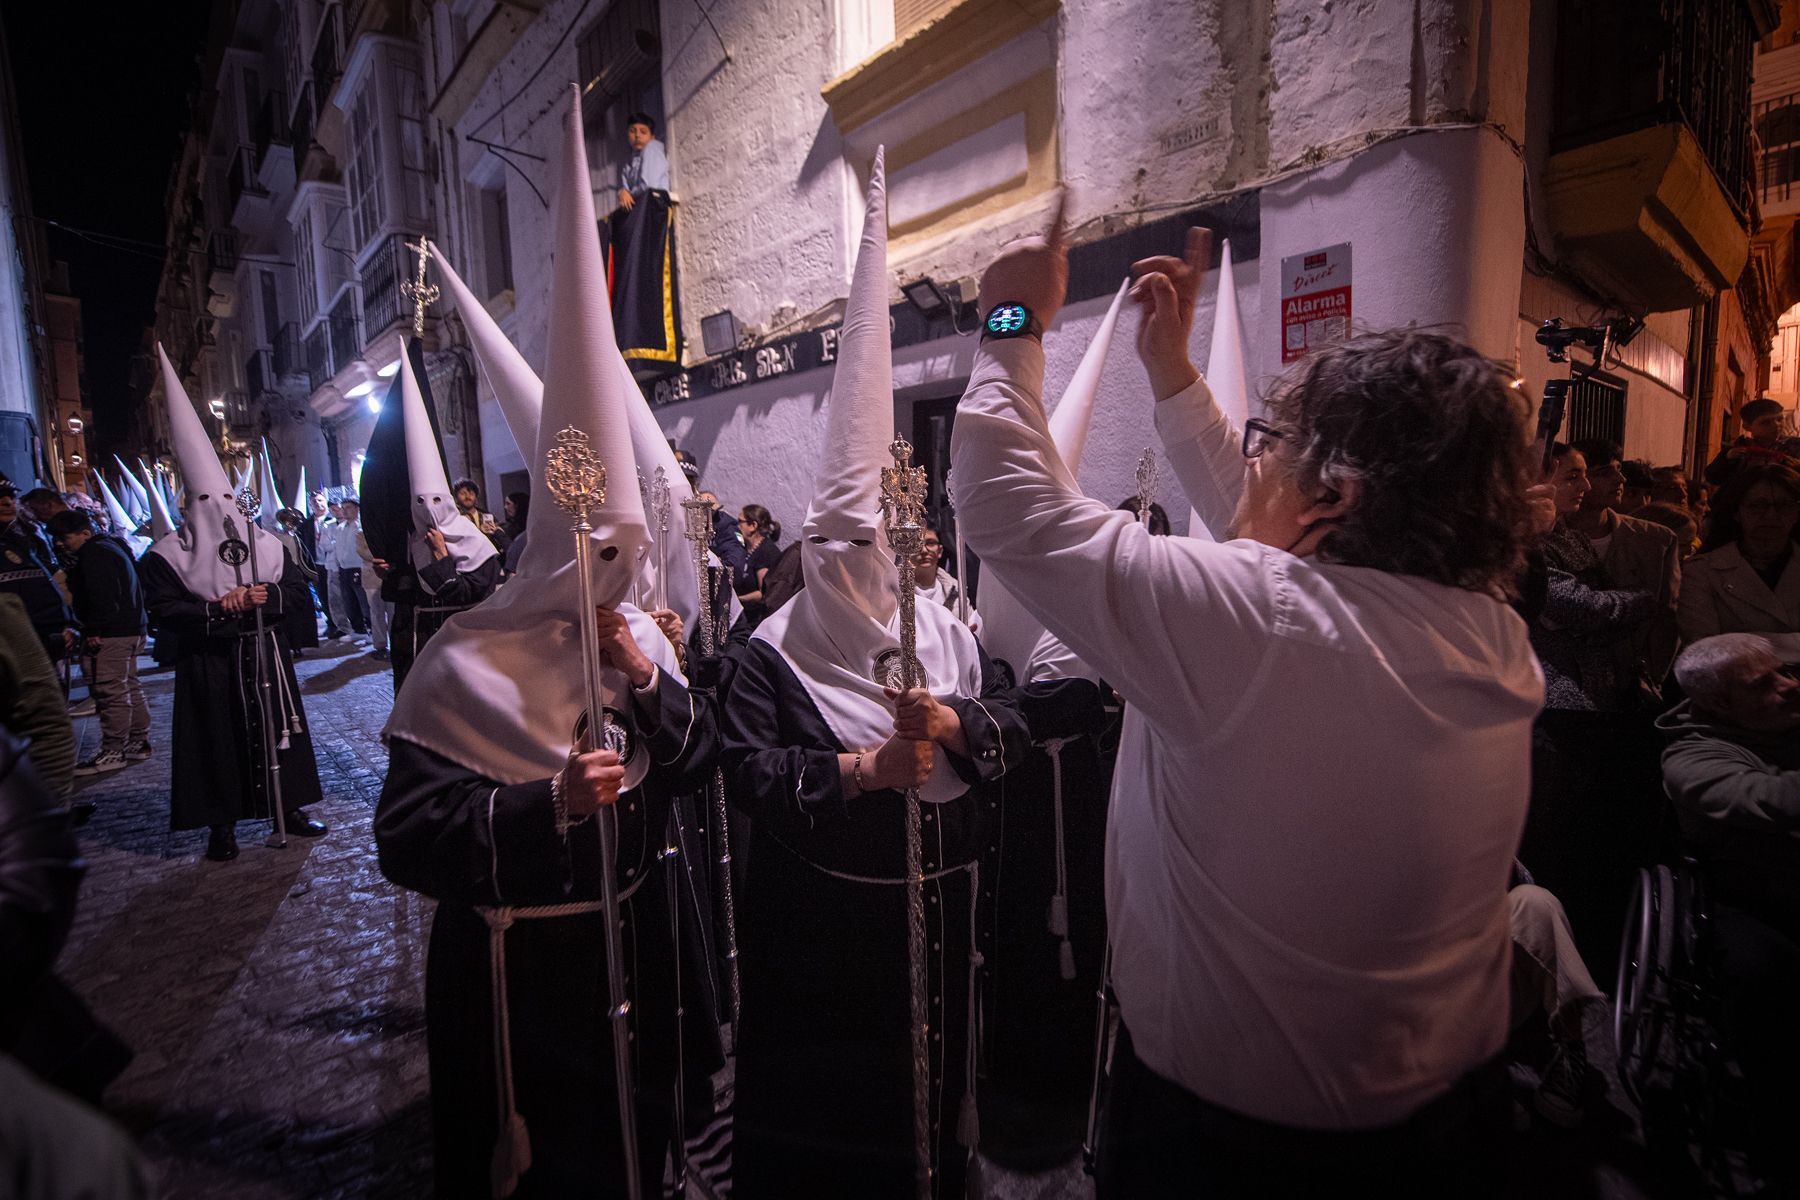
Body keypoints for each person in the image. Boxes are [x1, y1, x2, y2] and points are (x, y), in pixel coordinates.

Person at [950, 215, 1540, 1195]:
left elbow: (1006, 502)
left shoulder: (1257, 631)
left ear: (1334, 495)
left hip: (1233, 1152)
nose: (1257, 463)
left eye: (1277, 446)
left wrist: (1012, 317)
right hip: (1443, 1129)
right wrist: (1173, 373)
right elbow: (1261, 533)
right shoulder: (1487, 631)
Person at [378, 92, 724, 1199]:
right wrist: (549, 806)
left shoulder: (633, 639)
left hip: (634, 955)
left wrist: (651, 688)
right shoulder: (463, 666)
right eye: (598, 553)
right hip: (518, 980)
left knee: (637, 1153)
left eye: (629, 554)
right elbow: (408, 836)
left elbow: (698, 761)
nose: (613, 579)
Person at [720, 151, 1030, 1198]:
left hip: (939, 916)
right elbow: (750, 777)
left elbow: (998, 738)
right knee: (838, 1123)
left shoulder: (940, 634)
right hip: (826, 939)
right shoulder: (771, 657)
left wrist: (948, 728)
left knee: (934, 1108)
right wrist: (859, 772)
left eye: (877, 547)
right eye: (845, 550)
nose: (866, 572)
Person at [138, 346, 326, 862]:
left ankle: (289, 809)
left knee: (279, 732)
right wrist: (219, 606)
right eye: (205, 503)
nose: (216, 512)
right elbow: (165, 610)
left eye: (223, 501)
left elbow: (294, 593)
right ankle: (220, 826)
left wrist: (265, 595)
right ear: (189, 506)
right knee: (214, 742)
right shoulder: (167, 556)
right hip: (211, 662)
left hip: (264, 651)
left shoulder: (266, 544)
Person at [1659, 633, 1800, 1190]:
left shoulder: (1787, 709)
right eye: (1762, 684)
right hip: (1752, 892)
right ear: (1718, 703)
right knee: (1770, 980)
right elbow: (1768, 800)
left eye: (1782, 671)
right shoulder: (1692, 758)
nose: (1787, 686)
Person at [382, 368, 502, 693]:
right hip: (418, 644)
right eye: (420, 502)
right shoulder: (412, 539)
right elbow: (398, 596)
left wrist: (440, 556)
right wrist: (391, 570)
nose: (429, 509)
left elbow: (472, 596)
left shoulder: (476, 544)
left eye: (436, 500)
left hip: (464, 645)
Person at [1564, 437, 1681, 702]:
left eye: (1618, 469)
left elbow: (1667, 617)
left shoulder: (1656, 541)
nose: (1620, 479)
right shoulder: (1547, 537)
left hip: (1628, 683)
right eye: (1604, 472)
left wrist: (1651, 676)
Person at [46, 512, 148, 776]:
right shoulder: (112, 546)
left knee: (110, 691)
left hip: (112, 633)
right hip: (131, 627)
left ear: (84, 533)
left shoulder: (94, 554)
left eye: (64, 537)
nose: (59, 543)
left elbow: (103, 596)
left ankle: (113, 750)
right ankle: (138, 740)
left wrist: (94, 629)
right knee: (130, 686)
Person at [1678, 463, 1800, 659]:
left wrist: (1742, 642)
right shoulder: (1702, 572)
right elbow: (1704, 651)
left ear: (1796, 512)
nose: (1771, 515)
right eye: (1757, 506)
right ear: (1737, 512)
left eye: (1783, 505)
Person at [0, 479, 74, 667]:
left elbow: (48, 584)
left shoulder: (24, 539)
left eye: (11, 496)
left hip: (45, 647)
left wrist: (67, 623)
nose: (8, 502)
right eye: (0, 497)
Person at [1704, 397, 1800, 488]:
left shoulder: (1795, 447)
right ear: (1747, 426)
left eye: (1779, 419)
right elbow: (1713, 478)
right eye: (1766, 423)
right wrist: (1727, 459)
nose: (1776, 425)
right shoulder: (1738, 450)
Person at [732, 504, 781, 625]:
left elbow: (763, 592)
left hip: (755, 620)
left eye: (740, 522)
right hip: (745, 614)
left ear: (753, 526)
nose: (737, 526)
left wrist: (737, 600)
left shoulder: (765, 552)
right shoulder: (745, 548)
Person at [333, 496, 373, 640]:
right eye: (343, 508)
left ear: (357, 508)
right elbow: (338, 547)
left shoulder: (362, 525)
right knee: (349, 600)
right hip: (344, 568)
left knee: (364, 601)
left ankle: (371, 629)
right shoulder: (340, 527)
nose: (345, 511)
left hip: (359, 567)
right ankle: (358, 629)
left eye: (348, 507)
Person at [614, 112, 670, 213]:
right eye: (632, 131)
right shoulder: (628, 161)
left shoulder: (653, 148)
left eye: (643, 132)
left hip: (656, 207)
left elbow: (648, 184)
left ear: (652, 137)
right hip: (641, 209)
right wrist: (622, 192)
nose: (637, 136)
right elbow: (625, 190)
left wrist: (628, 194)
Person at [355, 516, 392, 662]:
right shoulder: (361, 533)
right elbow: (364, 552)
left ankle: (395, 643)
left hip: (390, 576)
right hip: (372, 578)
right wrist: (386, 556)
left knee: (393, 613)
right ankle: (381, 645)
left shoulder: (389, 529)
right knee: (377, 613)